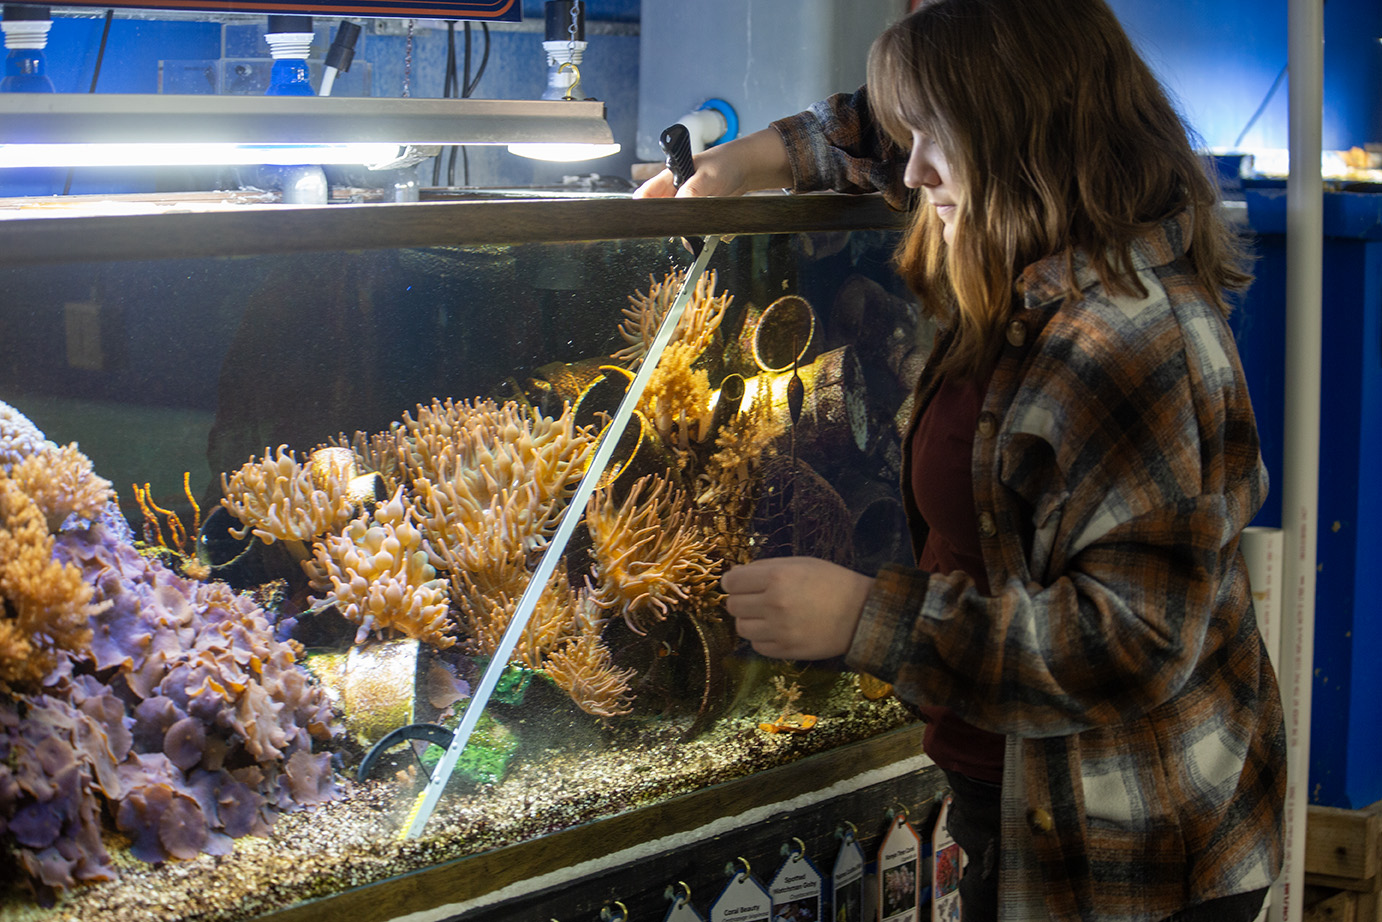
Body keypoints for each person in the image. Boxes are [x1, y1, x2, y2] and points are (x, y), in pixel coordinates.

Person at [635, 2, 1286, 920]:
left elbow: (1130, 646)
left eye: (936, 137)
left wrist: (868, 618)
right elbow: (880, 130)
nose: (912, 172)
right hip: (1015, 801)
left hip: (1129, 852)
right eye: (910, 136)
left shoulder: (1132, 340)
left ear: (1026, 137)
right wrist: (752, 161)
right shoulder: (1024, 235)